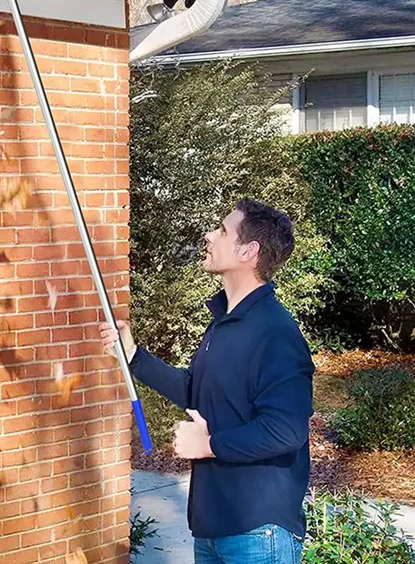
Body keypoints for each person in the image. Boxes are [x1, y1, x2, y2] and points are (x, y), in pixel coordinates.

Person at [100, 198, 314, 564]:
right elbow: (195, 392)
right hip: (214, 526)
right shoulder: (224, 323)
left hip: (258, 531)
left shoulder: (276, 332)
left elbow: (286, 430)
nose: (209, 235)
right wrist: (134, 356)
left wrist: (210, 444)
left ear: (249, 251)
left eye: (222, 230)